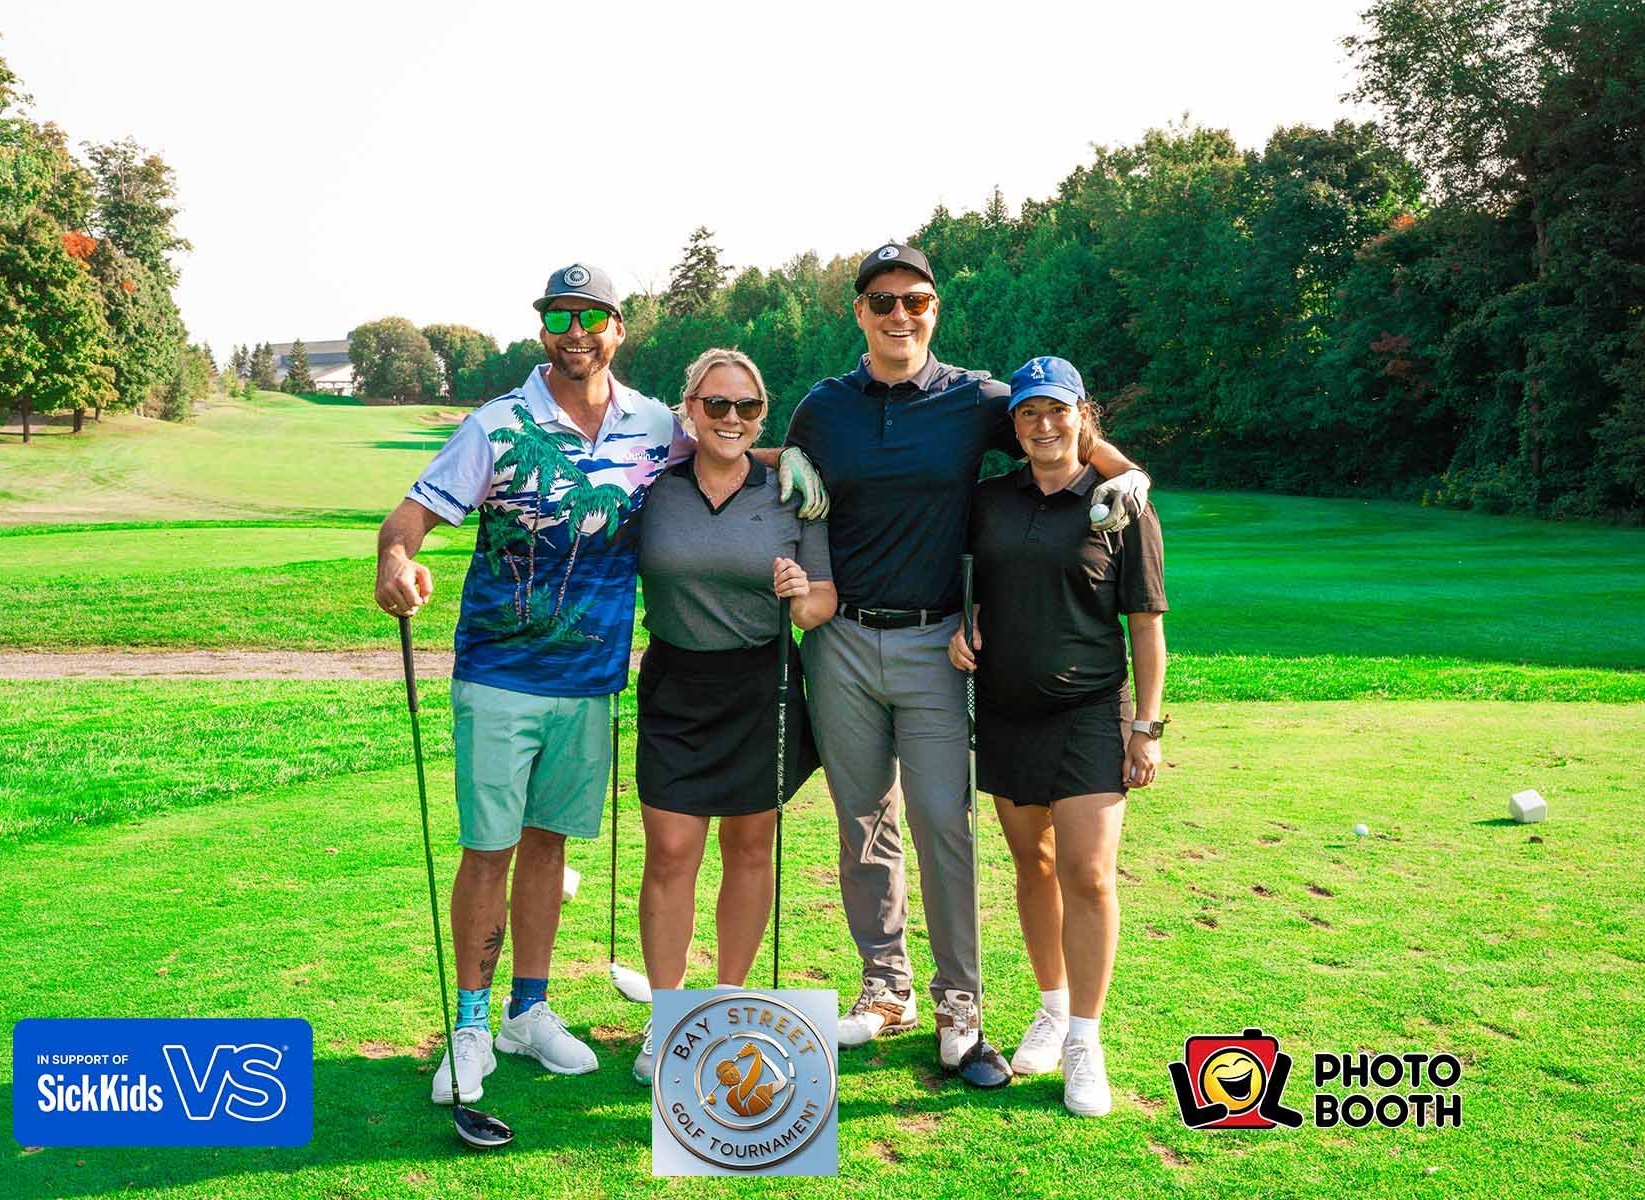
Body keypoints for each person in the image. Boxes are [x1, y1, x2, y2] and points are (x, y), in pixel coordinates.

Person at [373, 265, 822, 1107]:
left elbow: (723, 442)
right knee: (489, 847)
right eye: (558, 317)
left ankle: (528, 1012)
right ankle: (470, 1026)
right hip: (500, 673)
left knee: (549, 844)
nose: (575, 332)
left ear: (619, 328)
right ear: (544, 328)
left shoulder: (654, 423)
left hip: (592, 683)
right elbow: (412, 515)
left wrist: (783, 455)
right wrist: (396, 562)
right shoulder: (499, 423)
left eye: (592, 318)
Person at [779, 242, 1153, 1075]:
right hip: (839, 644)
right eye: (882, 302)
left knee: (943, 823)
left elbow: (1055, 424)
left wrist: (1127, 474)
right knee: (862, 822)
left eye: (914, 301)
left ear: (934, 310)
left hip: (936, 641)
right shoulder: (823, 406)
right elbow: (760, 455)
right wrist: (784, 456)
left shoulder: (974, 398)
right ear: (860, 312)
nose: (899, 316)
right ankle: (886, 985)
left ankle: (960, 1000)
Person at [948, 355, 1167, 1117]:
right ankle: (1048, 1008)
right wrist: (962, 626)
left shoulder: (1120, 503)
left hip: (1088, 711)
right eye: (1029, 413)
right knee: (1033, 866)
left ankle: (1084, 1038)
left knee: (1090, 875)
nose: (1044, 426)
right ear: (1014, 425)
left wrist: (1147, 725)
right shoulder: (990, 500)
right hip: (1005, 709)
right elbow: (969, 584)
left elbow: (1146, 623)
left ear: (1083, 416)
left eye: (1058, 411)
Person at [627, 348, 835, 1085]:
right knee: (672, 851)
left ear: (761, 416)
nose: (731, 419)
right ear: (690, 409)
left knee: (750, 848)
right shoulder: (654, 487)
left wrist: (798, 589)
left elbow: (821, 606)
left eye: (746, 408)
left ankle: (726, 1001)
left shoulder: (790, 492)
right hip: (677, 683)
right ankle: (667, 1014)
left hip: (761, 682)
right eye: (716, 404)